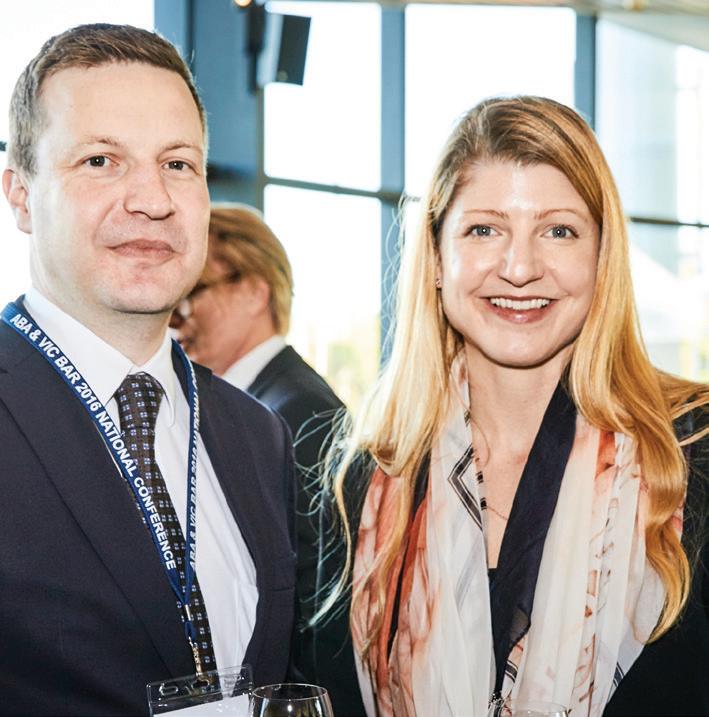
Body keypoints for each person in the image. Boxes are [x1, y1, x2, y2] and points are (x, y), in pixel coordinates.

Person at [315, 96, 709, 717]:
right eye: (484, 230)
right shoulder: (370, 483)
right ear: (437, 259)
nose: (520, 268)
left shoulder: (691, 452)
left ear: (601, 258)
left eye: (558, 231)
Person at [0, 24, 296, 715]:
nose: (152, 199)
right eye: (101, 160)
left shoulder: (259, 437)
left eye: (178, 164)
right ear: (20, 194)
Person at [172, 204, 345, 692]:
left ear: (253, 292)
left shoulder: (300, 414)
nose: (174, 319)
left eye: (191, 294)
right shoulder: (259, 405)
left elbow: (317, 606)